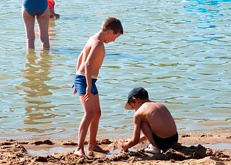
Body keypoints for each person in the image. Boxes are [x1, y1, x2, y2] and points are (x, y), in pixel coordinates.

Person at [73, 17, 123, 157]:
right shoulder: (98, 43)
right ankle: (79, 148)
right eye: (115, 37)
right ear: (110, 31)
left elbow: (80, 57)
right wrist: (87, 85)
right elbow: (87, 64)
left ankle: (92, 145)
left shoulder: (93, 39)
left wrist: (77, 75)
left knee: (97, 113)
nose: (114, 41)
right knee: (89, 113)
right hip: (85, 80)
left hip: (87, 79)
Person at [119, 87, 179, 154]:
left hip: (163, 143)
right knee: (148, 121)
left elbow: (134, 141)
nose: (134, 109)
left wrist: (124, 146)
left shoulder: (139, 113)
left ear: (136, 100)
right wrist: (138, 140)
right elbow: (156, 130)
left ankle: (155, 148)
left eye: (132, 106)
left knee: (142, 122)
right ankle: (156, 145)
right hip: (174, 139)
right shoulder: (160, 105)